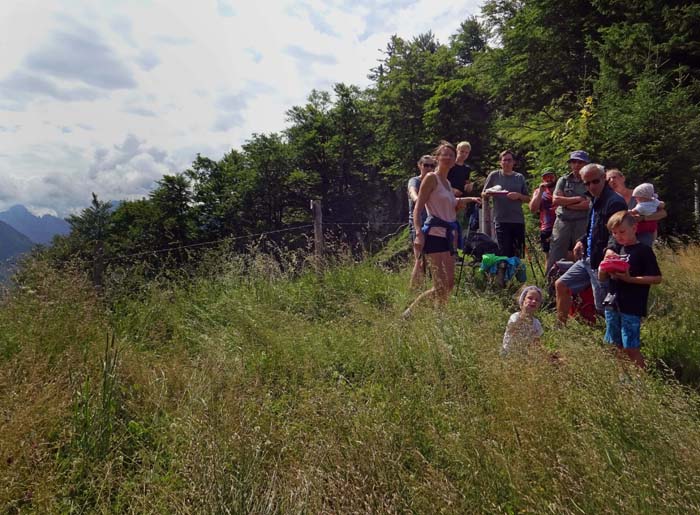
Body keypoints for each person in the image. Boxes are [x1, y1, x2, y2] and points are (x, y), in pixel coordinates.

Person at [403, 142, 481, 317]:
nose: (447, 158)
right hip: (434, 235)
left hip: (449, 236)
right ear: (437, 158)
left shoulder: (446, 183)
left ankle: (440, 316)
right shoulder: (431, 178)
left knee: (450, 284)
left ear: (455, 160)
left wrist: (470, 199)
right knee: (439, 285)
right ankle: (410, 313)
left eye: (451, 155)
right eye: (443, 154)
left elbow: (453, 206)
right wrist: (418, 233)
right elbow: (418, 207)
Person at [555, 163, 628, 324]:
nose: (591, 186)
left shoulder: (614, 202)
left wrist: (610, 250)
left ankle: (614, 341)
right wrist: (581, 241)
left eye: (595, 181)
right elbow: (592, 228)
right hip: (587, 257)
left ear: (604, 178)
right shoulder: (595, 199)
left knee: (603, 305)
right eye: (586, 183)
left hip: (601, 260)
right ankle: (560, 327)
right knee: (561, 284)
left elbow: (617, 232)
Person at [598, 211, 662, 368]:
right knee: (614, 344)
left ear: (634, 228)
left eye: (622, 232)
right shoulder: (616, 250)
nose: (618, 236)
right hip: (613, 302)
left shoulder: (643, 250)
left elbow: (656, 278)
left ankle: (641, 381)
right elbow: (602, 278)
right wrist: (603, 268)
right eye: (614, 233)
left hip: (631, 305)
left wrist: (630, 279)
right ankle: (623, 378)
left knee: (630, 347)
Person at [547, 150, 591, 272]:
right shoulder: (564, 180)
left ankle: (582, 285)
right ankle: (550, 284)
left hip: (582, 222)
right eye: (573, 162)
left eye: (580, 162)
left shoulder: (590, 181)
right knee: (556, 252)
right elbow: (556, 200)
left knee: (581, 253)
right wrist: (577, 199)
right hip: (563, 222)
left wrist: (567, 203)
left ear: (586, 164)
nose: (576, 165)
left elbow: (587, 205)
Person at [481, 150, 529, 258]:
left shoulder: (519, 177)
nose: (507, 162)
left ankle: (517, 273)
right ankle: (504, 274)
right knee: (504, 253)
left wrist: (519, 196)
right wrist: (492, 192)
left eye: (509, 160)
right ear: (500, 162)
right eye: (504, 160)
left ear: (513, 162)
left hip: (517, 220)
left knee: (518, 254)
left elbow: (527, 198)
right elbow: (483, 194)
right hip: (501, 220)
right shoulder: (494, 175)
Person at [605, 168, 667, 246]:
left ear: (623, 178)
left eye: (614, 177)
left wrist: (644, 218)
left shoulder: (640, 194)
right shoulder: (610, 201)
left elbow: (663, 213)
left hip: (643, 235)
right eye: (608, 180)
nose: (611, 180)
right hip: (620, 239)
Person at [408, 155, 436, 289]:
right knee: (419, 260)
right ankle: (413, 291)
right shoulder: (414, 181)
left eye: (432, 166)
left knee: (431, 261)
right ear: (420, 166)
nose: (429, 168)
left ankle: (427, 290)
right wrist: (419, 200)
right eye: (426, 165)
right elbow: (412, 192)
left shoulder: (435, 182)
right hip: (418, 223)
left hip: (433, 224)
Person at [501, 285, 544, 356]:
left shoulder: (537, 323)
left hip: (525, 355)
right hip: (509, 353)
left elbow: (537, 343)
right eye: (530, 298)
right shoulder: (515, 317)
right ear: (523, 300)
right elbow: (513, 330)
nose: (533, 301)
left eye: (537, 300)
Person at [528, 168, 557, 261]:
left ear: (555, 177)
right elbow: (533, 209)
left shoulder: (561, 189)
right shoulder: (538, 192)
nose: (548, 179)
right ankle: (549, 274)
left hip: (563, 225)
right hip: (547, 227)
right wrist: (540, 192)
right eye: (545, 178)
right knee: (548, 256)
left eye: (551, 177)